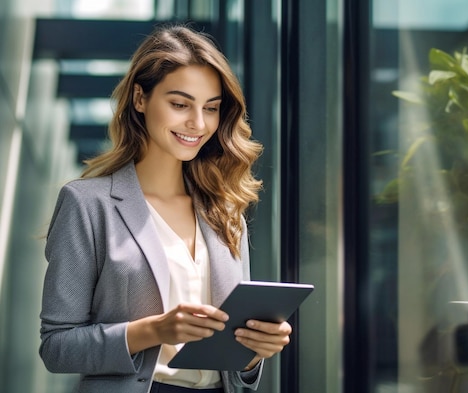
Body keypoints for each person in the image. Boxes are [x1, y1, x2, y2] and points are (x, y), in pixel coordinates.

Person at [39, 24, 292, 393]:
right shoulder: (87, 204)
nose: (198, 123)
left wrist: (255, 352)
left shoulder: (224, 208)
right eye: (179, 104)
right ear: (140, 99)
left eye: (211, 108)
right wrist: (153, 331)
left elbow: (235, 361)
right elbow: (56, 347)